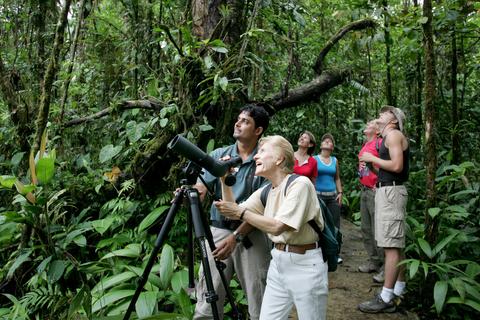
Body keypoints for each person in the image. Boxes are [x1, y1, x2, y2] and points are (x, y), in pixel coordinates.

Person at [214, 135, 328, 320]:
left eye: (262, 151)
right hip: (278, 263)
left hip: (306, 265)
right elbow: (231, 212)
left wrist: (239, 212)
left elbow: (277, 227)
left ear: (279, 158)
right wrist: (224, 179)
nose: (256, 157)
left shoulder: (300, 184)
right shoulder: (268, 190)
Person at [193, 105, 271, 320]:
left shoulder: (265, 159)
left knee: (259, 296)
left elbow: (264, 207)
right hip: (217, 232)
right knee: (208, 297)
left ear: (258, 130)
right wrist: (190, 193)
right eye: (238, 119)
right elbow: (201, 187)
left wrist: (236, 237)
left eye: (245, 121)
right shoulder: (220, 154)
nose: (238, 123)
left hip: (252, 233)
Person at [358, 106, 409, 313]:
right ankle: (399, 289)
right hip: (386, 191)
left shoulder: (395, 134)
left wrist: (372, 159)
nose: (380, 114)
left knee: (391, 246)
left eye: (385, 113)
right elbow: (387, 168)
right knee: (396, 244)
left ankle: (386, 296)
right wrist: (372, 166)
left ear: (394, 121)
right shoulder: (388, 137)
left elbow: (397, 166)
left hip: (392, 193)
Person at [357, 121, 384, 278]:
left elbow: (385, 166)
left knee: (377, 230)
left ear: (377, 130)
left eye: (371, 123)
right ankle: (374, 261)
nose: (367, 124)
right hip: (364, 190)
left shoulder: (380, 143)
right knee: (366, 229)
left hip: (375, 191)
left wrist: (379, 183)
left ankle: (385, 267)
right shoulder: (366, 144)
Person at [313, 133, 343, 263]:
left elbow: (337, 178)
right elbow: (312, 177)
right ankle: (319, 252)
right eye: (324, 140)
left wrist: (340, 192)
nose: (327, 142)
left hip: (332, 197)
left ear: (332, 147)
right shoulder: (314, 159)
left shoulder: (335, 161)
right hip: (318, 195)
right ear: (320, 145)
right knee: (319, 224)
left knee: (335, 225)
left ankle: (335, 254)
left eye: (329, 141)